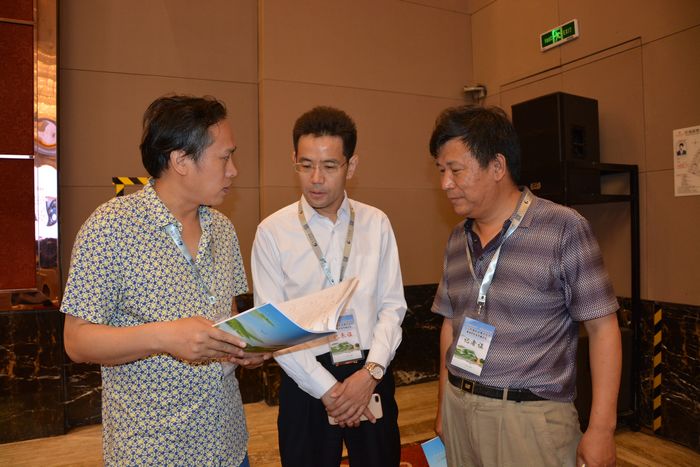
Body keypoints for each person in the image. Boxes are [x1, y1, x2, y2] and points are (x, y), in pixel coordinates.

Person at [61, 95, 269, 466]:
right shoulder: (110, 227)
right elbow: (76, 340)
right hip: (153, 451)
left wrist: (245, 348)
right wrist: (164, 337)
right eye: (224, 158)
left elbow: (228, 319)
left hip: (228, 445)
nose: (234, 171)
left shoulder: (223, 229)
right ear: (181, 160)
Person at [429, 105, 622, 467]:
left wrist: (601, 428)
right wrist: (444, 404)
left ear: (497, 166)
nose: (445, 184)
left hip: (528, 419)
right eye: (441, 171)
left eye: (455, 170)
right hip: (459, 407)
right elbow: (450, 325)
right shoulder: (457, 239)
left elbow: (603, 328)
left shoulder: (562, 228)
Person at [251, 106, 407, 466]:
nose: (316, 179)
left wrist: (370, 374)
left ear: (351, 166)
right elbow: (274, 328)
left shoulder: (376, 223)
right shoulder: (272, 232)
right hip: (304, 379)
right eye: (305, 165)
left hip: (369, 371)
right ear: (294, 160)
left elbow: (392, 307)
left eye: (329, 166)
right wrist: (330, 391)